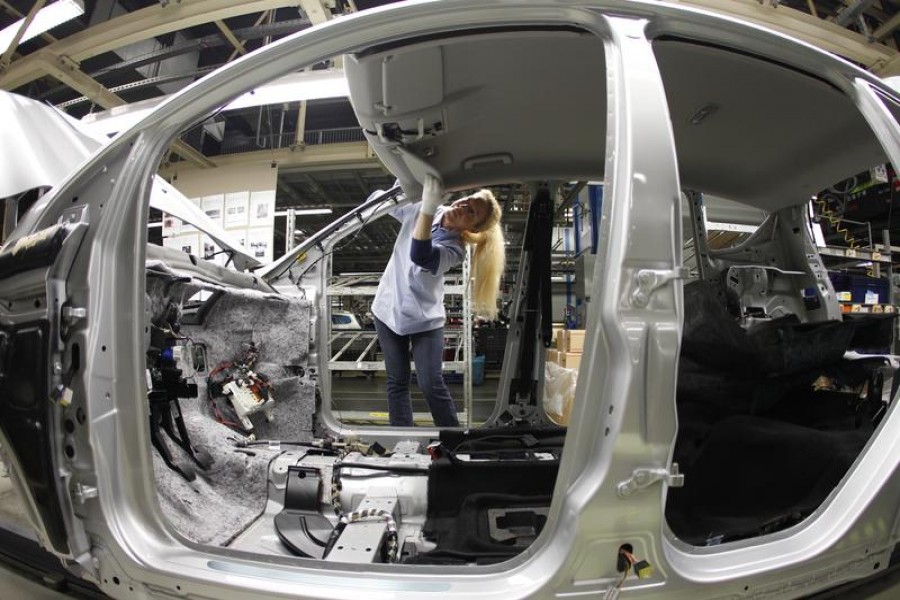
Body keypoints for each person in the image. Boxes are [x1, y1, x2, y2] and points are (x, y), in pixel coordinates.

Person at [371, 175, 505, 426]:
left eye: (472, 212)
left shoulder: (455, 249)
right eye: (468, 200)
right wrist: (407, 174)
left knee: (431, 384)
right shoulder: (430, 208)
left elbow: (421, 255)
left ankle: (453, 441)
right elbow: (382, 199)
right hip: (386, 310)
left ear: (473, 229)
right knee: (396, 382)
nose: (463, 206)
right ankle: (403, 442)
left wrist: (427, 206)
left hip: (425, 321)